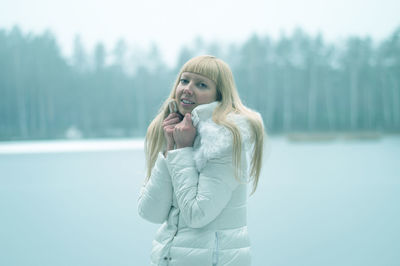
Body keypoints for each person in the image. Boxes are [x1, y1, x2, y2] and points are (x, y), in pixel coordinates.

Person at [138, 55, 265, 266]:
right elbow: (150, 211)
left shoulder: (224, 139)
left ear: (219, 95)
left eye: (201, 84)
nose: (188, 88)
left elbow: (198, 214)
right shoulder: (174, 131)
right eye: (184, 80)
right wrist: (172, 148)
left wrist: (183, 150)